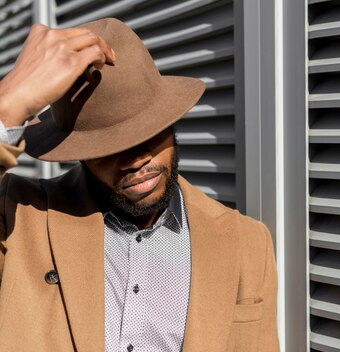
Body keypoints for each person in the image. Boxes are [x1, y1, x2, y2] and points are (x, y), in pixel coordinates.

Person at [0, 18, 279, 351]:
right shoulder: (18, 219)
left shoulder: (249, 243)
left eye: (148, 133)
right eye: (108, 147)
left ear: (170, 121)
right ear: (80, 153)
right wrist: (8, 104)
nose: (135, 160)